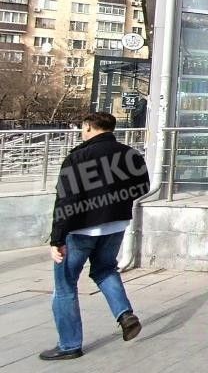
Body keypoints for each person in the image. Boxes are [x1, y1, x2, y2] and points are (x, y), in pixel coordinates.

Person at [41, 112, 150, 361]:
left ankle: (69, 345)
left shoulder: (77, 157)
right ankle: (125, 315)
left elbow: (66, 200)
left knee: (65, 285)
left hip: (81, 230)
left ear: (89, 127)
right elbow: (143, 187)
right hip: (115, 225)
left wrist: (57, 239)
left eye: (83, 128)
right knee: (105, 270)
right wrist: (114, 202)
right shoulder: (129, 154)